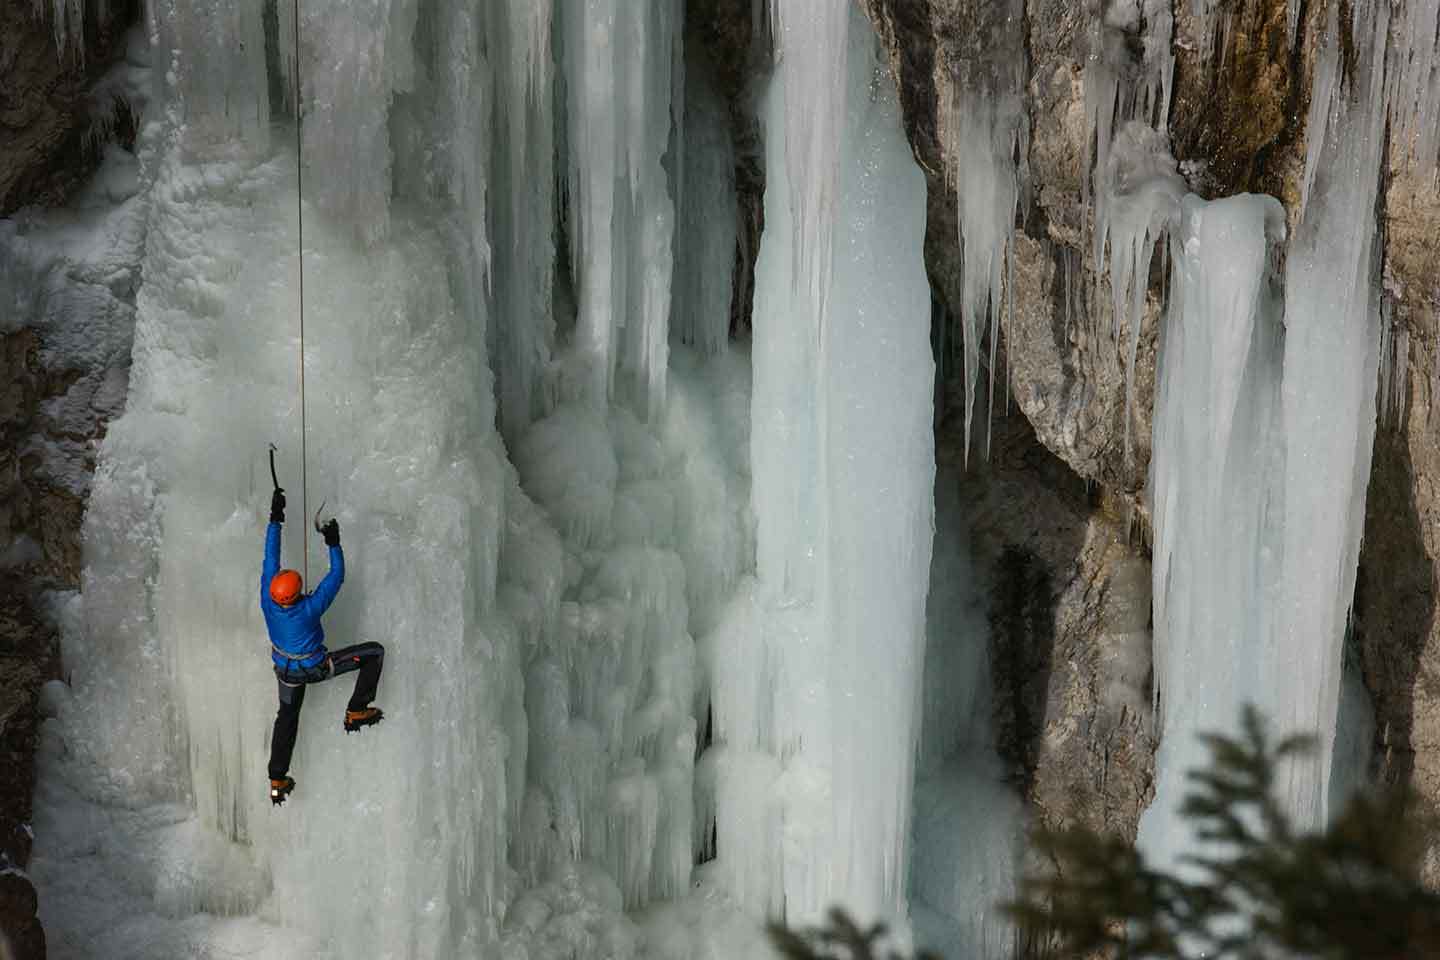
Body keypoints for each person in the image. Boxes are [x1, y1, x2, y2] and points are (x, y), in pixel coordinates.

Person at [261, 486, 384, 806]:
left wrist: (276, 517)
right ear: (298, 593)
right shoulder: (309, 608)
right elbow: (337, 575)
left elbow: (269, 556)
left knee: (287, 716)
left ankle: (277, 779)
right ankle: (356, 710)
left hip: (284, 672)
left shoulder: (267, 598)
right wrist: (333, 542)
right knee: (374, 653)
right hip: (315, 668)